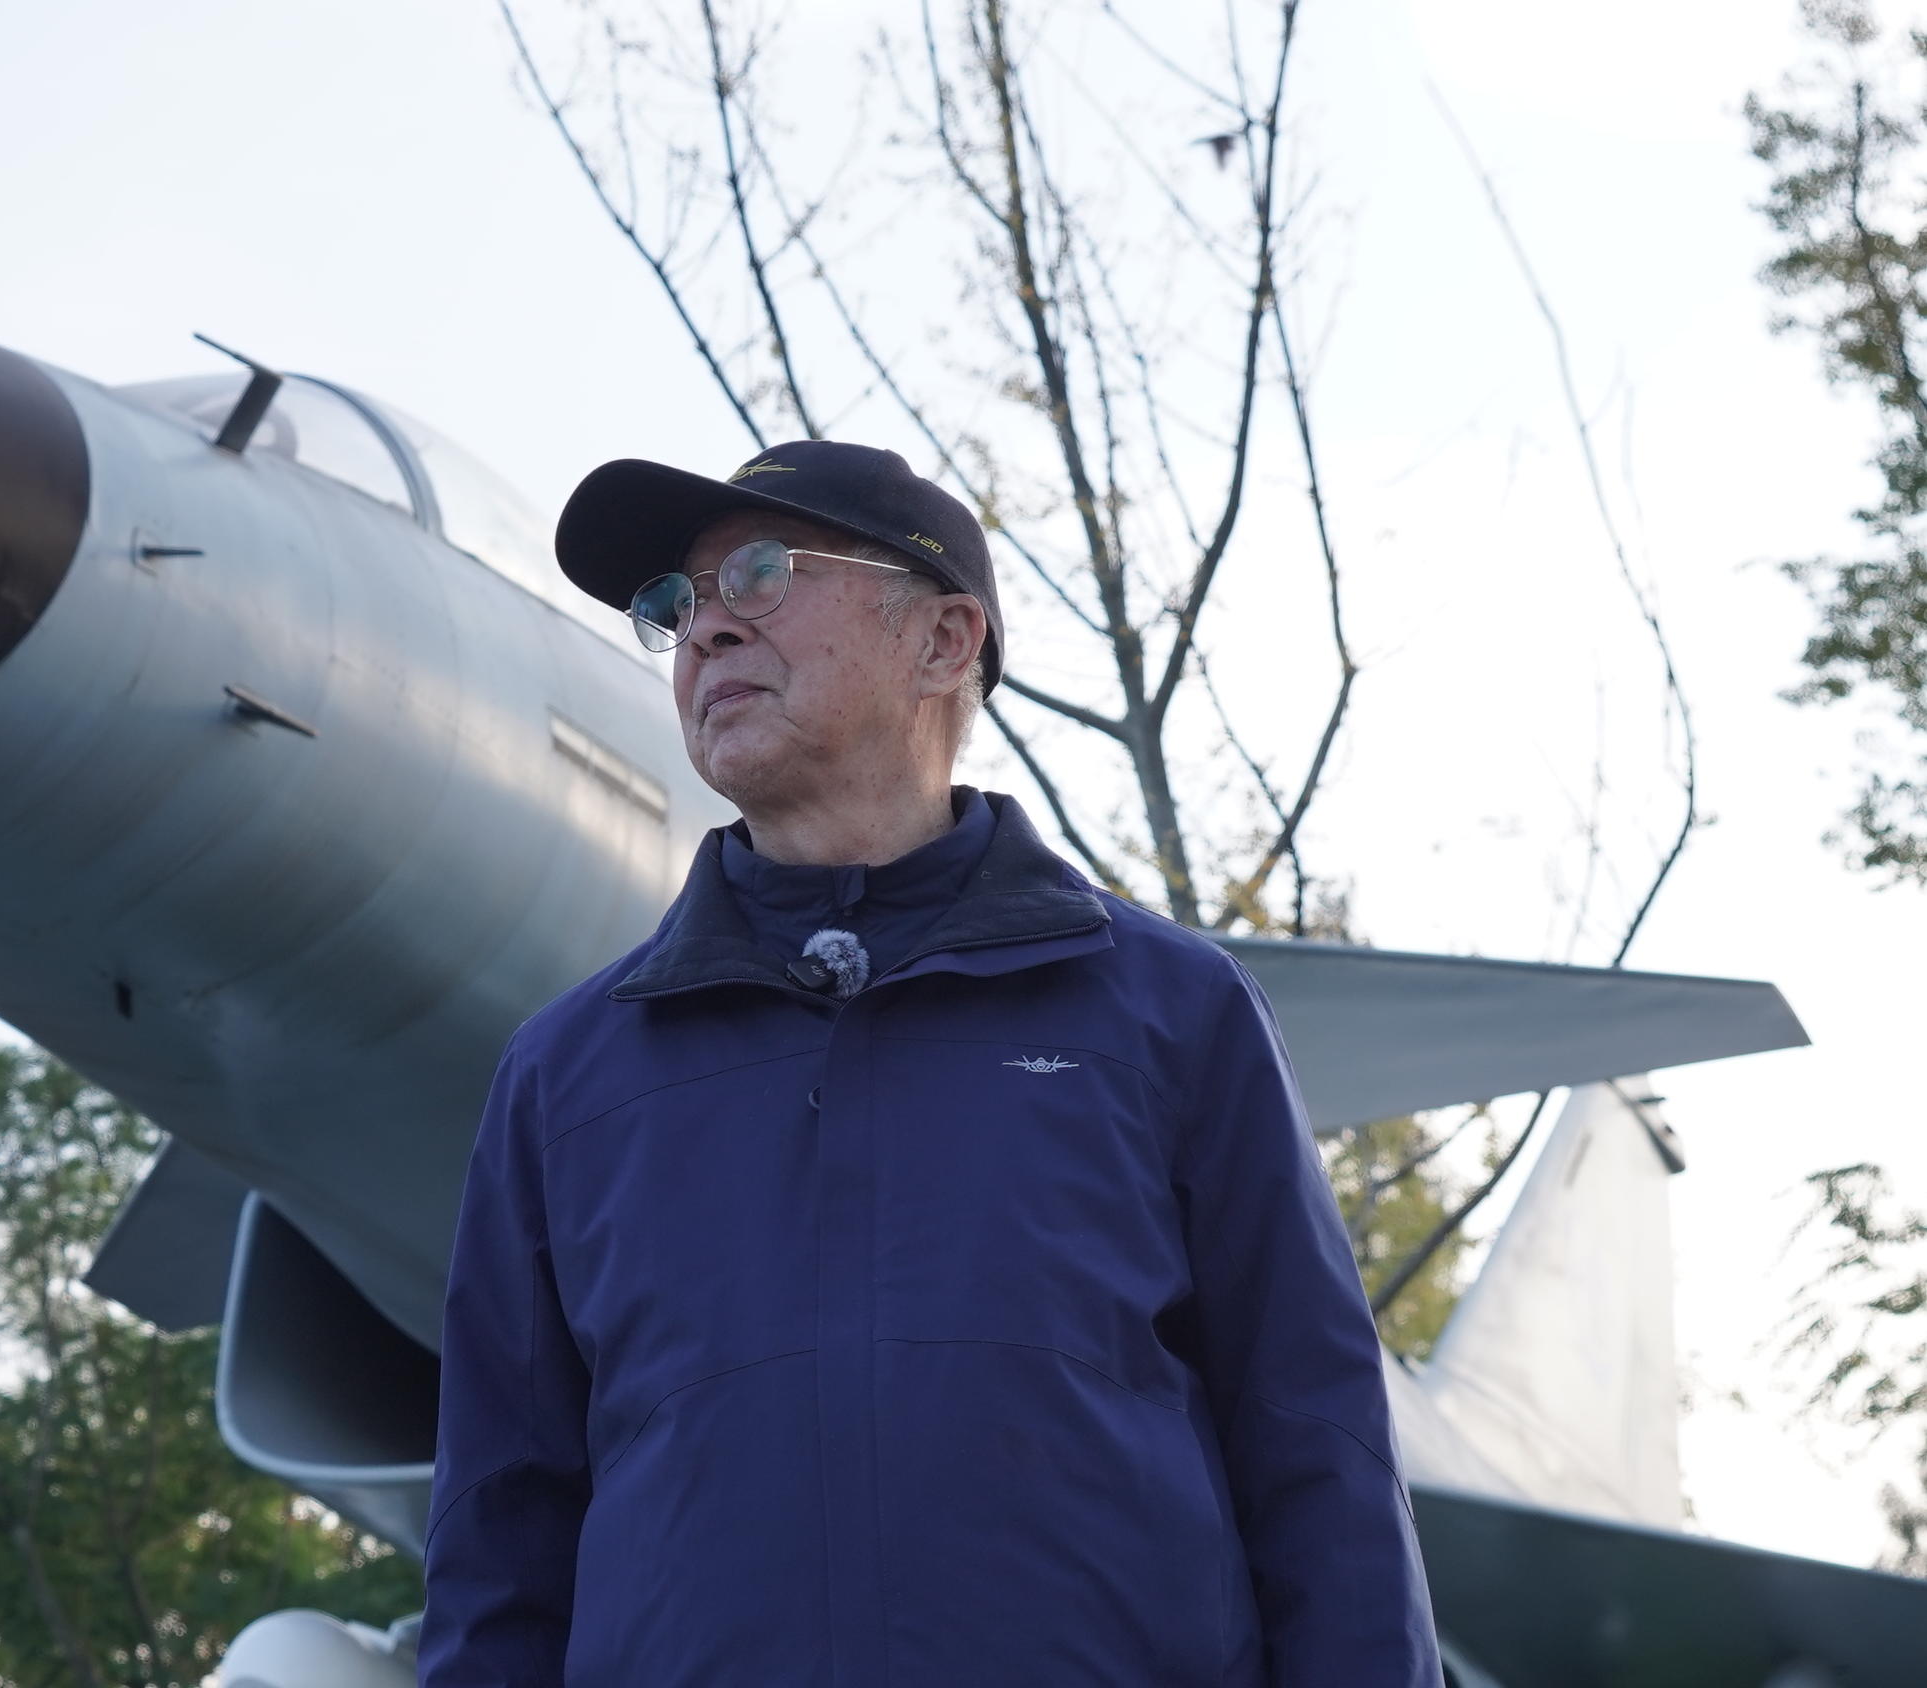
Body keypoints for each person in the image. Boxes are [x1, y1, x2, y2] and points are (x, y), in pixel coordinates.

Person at [414, 440, 1442, 1686]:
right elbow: (498, 1538)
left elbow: (1320, 1460)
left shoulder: (1173, 1013)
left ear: (945, 641)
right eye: (675, 605)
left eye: (758, 572)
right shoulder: (563, 1077)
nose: (703, 631)